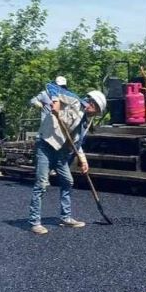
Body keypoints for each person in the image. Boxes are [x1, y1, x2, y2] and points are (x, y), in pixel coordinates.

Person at [27, 83, 107, 235]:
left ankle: (66, 217)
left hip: (61, 152)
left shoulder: (85, 121)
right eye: (96, 111)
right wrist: (56, 102)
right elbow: (51, 86)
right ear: (92, 104)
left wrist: (83, 160)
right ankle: (35, 222)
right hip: (46, 144)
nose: (95, 115)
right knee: (41, 184)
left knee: (68, 181)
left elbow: (76, 143)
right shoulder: (73, 100)